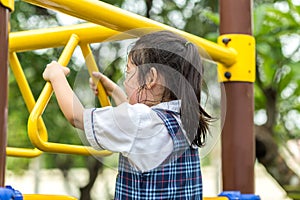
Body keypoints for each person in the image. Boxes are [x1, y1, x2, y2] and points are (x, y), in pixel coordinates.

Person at [43, 30, 211, 200]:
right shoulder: (186, 120)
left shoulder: (141, 121)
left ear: (151, 78)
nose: (124, 81)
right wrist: (114, 91)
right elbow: (138, 128)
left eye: (128, 72)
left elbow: (77, 117)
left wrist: (56, 75)